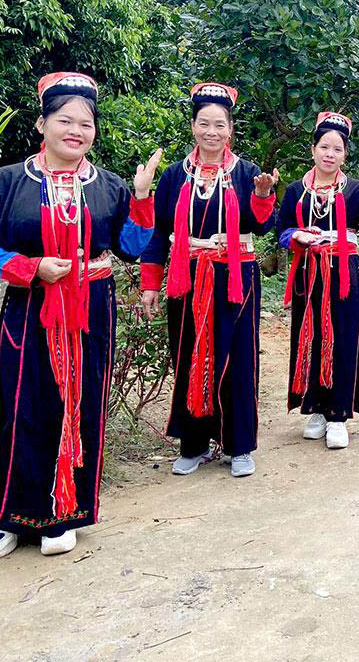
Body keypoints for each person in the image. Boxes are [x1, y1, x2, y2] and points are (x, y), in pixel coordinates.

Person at [0, 71, 160, 559]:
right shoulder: (7, 183)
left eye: (86, 123)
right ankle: (12, 517)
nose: (76, 130)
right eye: (65, 120)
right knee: (24, 404)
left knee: (81, 403)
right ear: (41, 123)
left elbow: (133, 248)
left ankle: (63, 515)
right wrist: (30, 268)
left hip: (92, 307)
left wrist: (140, 197)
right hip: (30, 310)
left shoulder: (108, 185)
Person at [139, 83, 278, 479]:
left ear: (230, 129)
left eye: (220, 124)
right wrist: (151, 282)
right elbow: (157, 233)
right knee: (187, 355)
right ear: (194, 126)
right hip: (187, 277)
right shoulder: (172, 178)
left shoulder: (248, 173)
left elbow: (260, 224)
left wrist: (264, 196)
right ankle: (194, 444)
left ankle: (238, 446)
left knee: (237, 359)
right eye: (204, 124)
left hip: (235, 278)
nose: (211, 132)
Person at [279, 112, 359, 449]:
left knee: (344, 340)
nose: (330, 154)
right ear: (313, 149)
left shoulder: (355, 189)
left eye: (338, 149)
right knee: (311, 337)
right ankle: (315, 408)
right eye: (324, 146)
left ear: (345, 155)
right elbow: (282, 230)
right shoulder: (295, 191)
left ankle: (339, 416)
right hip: (308, 273)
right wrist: (296, 236)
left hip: (344, 272)